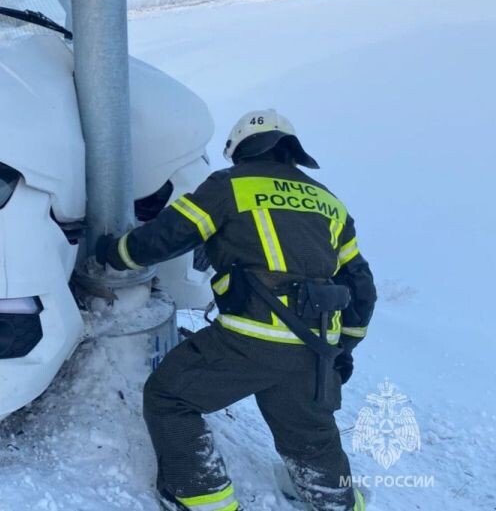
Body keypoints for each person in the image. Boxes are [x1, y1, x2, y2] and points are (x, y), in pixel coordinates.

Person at [97, 110, 375, 511]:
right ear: (290, 149)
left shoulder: (230, 186)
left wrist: (115, 253)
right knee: (311, 438)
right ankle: (337, 503)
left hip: (253, 336)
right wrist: (342, 349)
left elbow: (170, 235)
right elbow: (362, 289)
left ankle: (204, 499)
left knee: (169, 396)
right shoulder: (329, 202)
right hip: (315, 346)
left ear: (240, 150)